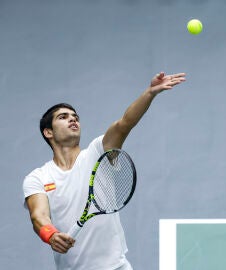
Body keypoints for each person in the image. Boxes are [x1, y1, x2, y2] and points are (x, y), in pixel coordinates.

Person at [22, 72, 186, 270]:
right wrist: (52, 235)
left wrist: (149, 93)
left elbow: (124, 124)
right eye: (63, 117)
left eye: (75, 117)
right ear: (48, 132)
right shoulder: (38, 177)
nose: (73, 120)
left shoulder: (98, 152)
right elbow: (38, 216)